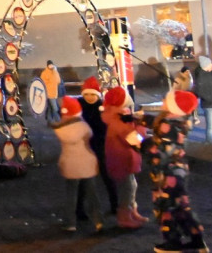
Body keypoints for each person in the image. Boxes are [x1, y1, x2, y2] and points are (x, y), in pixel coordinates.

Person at [142, 90, 207, 253]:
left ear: (173, 106)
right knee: (181, 206)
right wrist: (141, 119)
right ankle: (197, 239)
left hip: (167, 172)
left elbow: (158, 152)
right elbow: (159, 127)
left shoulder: (167, 124)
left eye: (167, 99)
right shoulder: (179, 121)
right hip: (179, 170)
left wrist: (139, 145)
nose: (163, 100)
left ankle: (172, 242)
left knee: (166, 207)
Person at [52, 96, 104, 233]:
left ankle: (70, 223)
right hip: (86, 162)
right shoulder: (84, 127)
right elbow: (89, 137)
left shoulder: (60, 130)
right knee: (92, 193)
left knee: (71, 194)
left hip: (69, 163)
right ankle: (98, 221)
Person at [102, 86, 147, 229]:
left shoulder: (120, 116)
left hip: (125, 159)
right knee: (126, 190)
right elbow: (134, 139)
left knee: (131, 186)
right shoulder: (117, 121)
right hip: (122, 160)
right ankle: (124, 217)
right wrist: (141, 126)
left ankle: (132, 212)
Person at [78, 77, 118, 214]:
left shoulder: (103, 108)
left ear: (97, 94)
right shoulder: (79, 105)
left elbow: (106, 127)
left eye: (92, 94)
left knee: (107, 176)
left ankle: (115, 205)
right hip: (84, 148)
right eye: (87, 94)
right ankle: (80, 209)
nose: (89, 97)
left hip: (100, 147)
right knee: (83, 180)